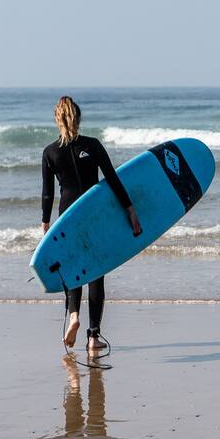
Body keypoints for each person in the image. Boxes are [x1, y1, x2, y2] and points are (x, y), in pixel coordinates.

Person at [42, 96, 141, 351]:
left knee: (74, 269)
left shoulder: (50, 152)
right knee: (96, 273)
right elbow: (113, 180)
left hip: (67, 216)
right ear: (79, 116)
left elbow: (47, 194)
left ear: (57, 119)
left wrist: (45, 225)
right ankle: (93, 336)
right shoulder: (93, 145)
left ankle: (73, 314)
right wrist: (130, 209)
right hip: (94, 214)